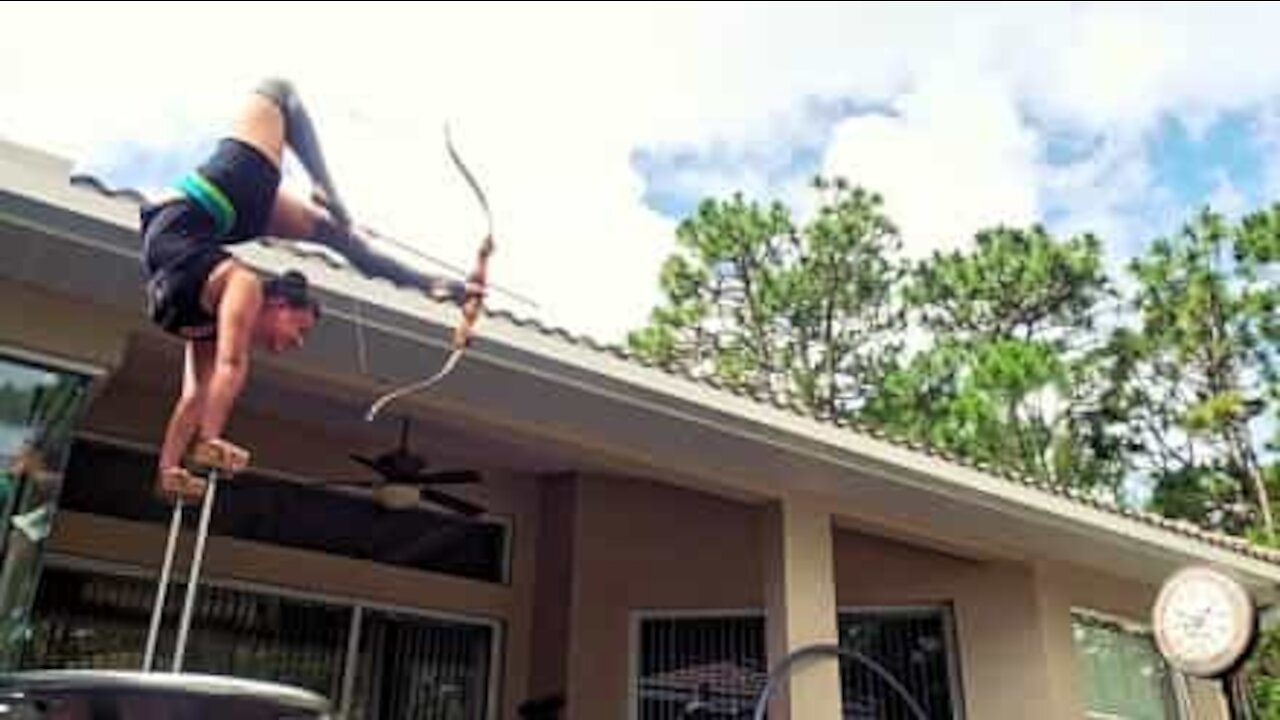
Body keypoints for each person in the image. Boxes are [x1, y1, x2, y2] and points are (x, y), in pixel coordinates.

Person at [141, 78, 483, 502]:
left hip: (192, 240)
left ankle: (429, 282)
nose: (294, 344)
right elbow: (231, 364)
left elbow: (194, 395)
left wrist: (169, 470)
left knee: (344, 239)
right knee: (279, 92)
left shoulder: (213, 305)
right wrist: (210, 440)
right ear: (278, 303)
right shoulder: (242, 286)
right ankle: (329, 191)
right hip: (217, 204)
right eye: (298, 330)